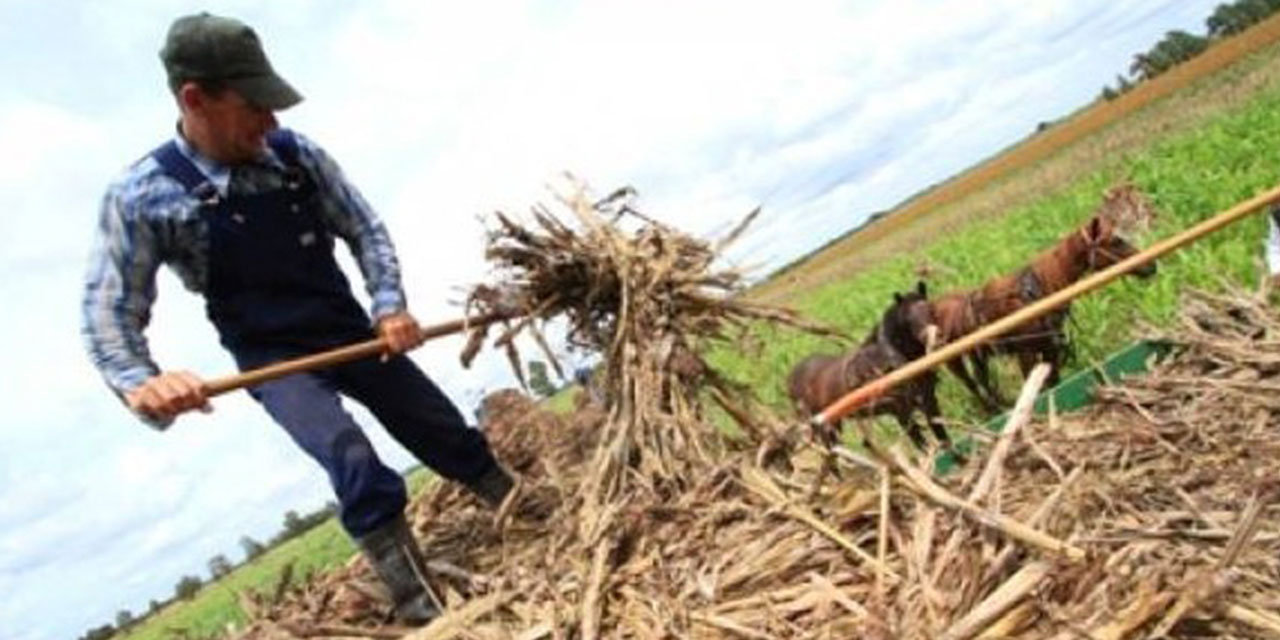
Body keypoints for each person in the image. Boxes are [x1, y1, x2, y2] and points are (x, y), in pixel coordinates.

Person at [81, 12, 514, 624]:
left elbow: (363, 228)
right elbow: (108, 313)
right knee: (351, 457)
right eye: (254, 103)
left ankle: (527, 513)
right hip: (273, 359)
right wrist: (142, 382)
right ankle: (426, 607)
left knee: (438, 427)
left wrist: (388, 304)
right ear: (195, 99)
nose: (271, 120)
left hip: (348, 332)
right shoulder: (142, 196)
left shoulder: (293, 156)